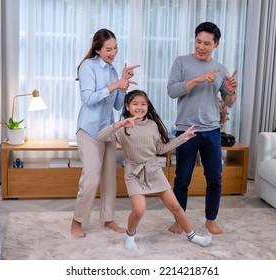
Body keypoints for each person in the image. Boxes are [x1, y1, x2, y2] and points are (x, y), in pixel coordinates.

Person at [98, 90, 212, 249]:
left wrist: (183, 138)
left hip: (153, 169)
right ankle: (130, 236)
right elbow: (101, 137)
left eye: (143, 104)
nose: (139, 107)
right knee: (139, 210)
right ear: (127, 106)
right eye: (135, 104)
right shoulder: (123, 127)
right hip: (133, 172)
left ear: (148, 106)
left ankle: (193, 236)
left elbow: (160, 148)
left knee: (175, 206)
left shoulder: (152, 125)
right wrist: (120, 123)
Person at [167, 22, 238, 235]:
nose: (201, 46)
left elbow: (230, 102)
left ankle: (211, 220)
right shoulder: (181, 62)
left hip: (212, 130)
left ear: (216, 44)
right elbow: (172, 91)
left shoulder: (221, 69)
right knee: (182, 178)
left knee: (215, 177)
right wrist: (196, 80)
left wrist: (232, 90)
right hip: (185, 130)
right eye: (198, 41)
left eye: (207, 43)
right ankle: (180, 220)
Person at [71, 28, 140, 238]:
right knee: (91, 178)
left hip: (109, 130)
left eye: (115, 48)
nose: (113, 52)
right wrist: (114, 85)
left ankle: (108, 219)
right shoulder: (87, 66)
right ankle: (77, 221)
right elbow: (89, 99)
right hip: (90, 130)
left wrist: (123, 85)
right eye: (109, 49)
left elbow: (119, 106)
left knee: (110, 179)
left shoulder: (112, 70)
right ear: (98, 49)